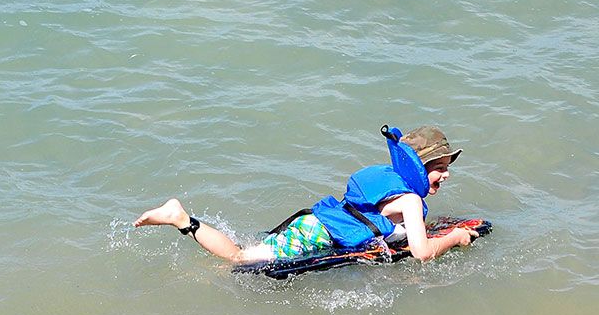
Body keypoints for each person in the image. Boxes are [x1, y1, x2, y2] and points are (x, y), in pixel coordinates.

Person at [133, 125, 479, 264]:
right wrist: (456, 238)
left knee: (250, 250)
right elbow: (422, 253)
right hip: (317, 233)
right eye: (439, 166)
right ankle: (180, 218)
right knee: (238, 259)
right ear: (419, 167)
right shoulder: (411, 200)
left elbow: (384, 220)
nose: (446, 173)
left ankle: (184, 220)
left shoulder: (389, 182)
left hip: (315, 222)